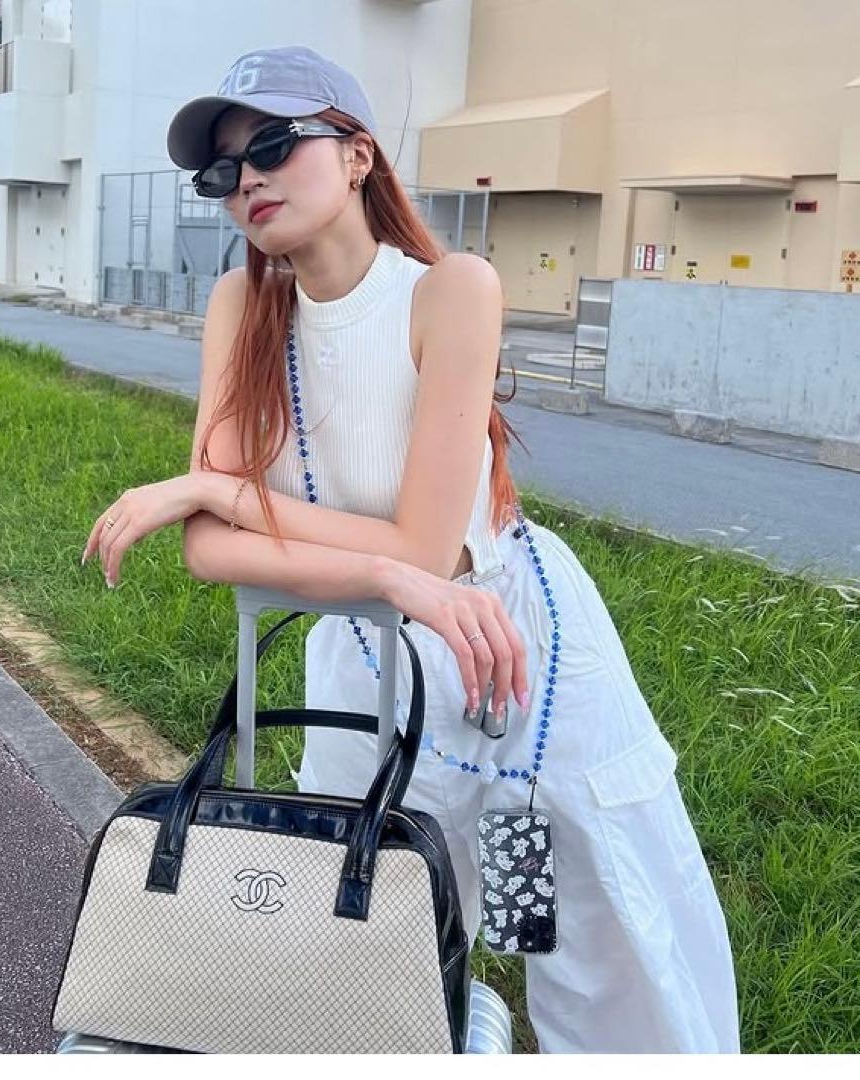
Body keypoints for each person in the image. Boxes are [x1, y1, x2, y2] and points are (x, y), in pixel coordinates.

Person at [83, 45, 742, 1054]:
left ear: (357, 156)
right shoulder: (241, 308)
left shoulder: (449, 291)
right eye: (222, 169)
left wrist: (219, 488)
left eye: (273, 144)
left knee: (585, 937)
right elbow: (212, 554)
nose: (247, 178)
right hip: (365, 647)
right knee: (378, 923)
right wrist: (383, 572)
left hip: (509, 654)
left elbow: (427, 548)